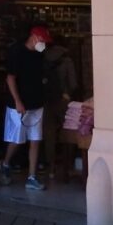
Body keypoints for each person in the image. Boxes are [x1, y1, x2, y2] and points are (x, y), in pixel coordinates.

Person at [0, 25, 50, 191]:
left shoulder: (40, 55)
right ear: (34, 37)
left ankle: (32, 176)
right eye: (42, 40)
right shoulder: (16, 52)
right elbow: (10, 78)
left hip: (37, 104)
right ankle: (6, 163)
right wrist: (17, 101)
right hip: (19, 105)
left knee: (36, 139)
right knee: (17, 139)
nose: (43, 44)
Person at [42, 36, 78, 178]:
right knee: (68, 132)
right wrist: (67, 93)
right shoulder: (66, 60)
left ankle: (50, 168)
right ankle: (67, 164)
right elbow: (73, 83)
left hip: (46, 101)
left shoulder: (43, 57)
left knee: (49, 134)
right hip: (63, 101)